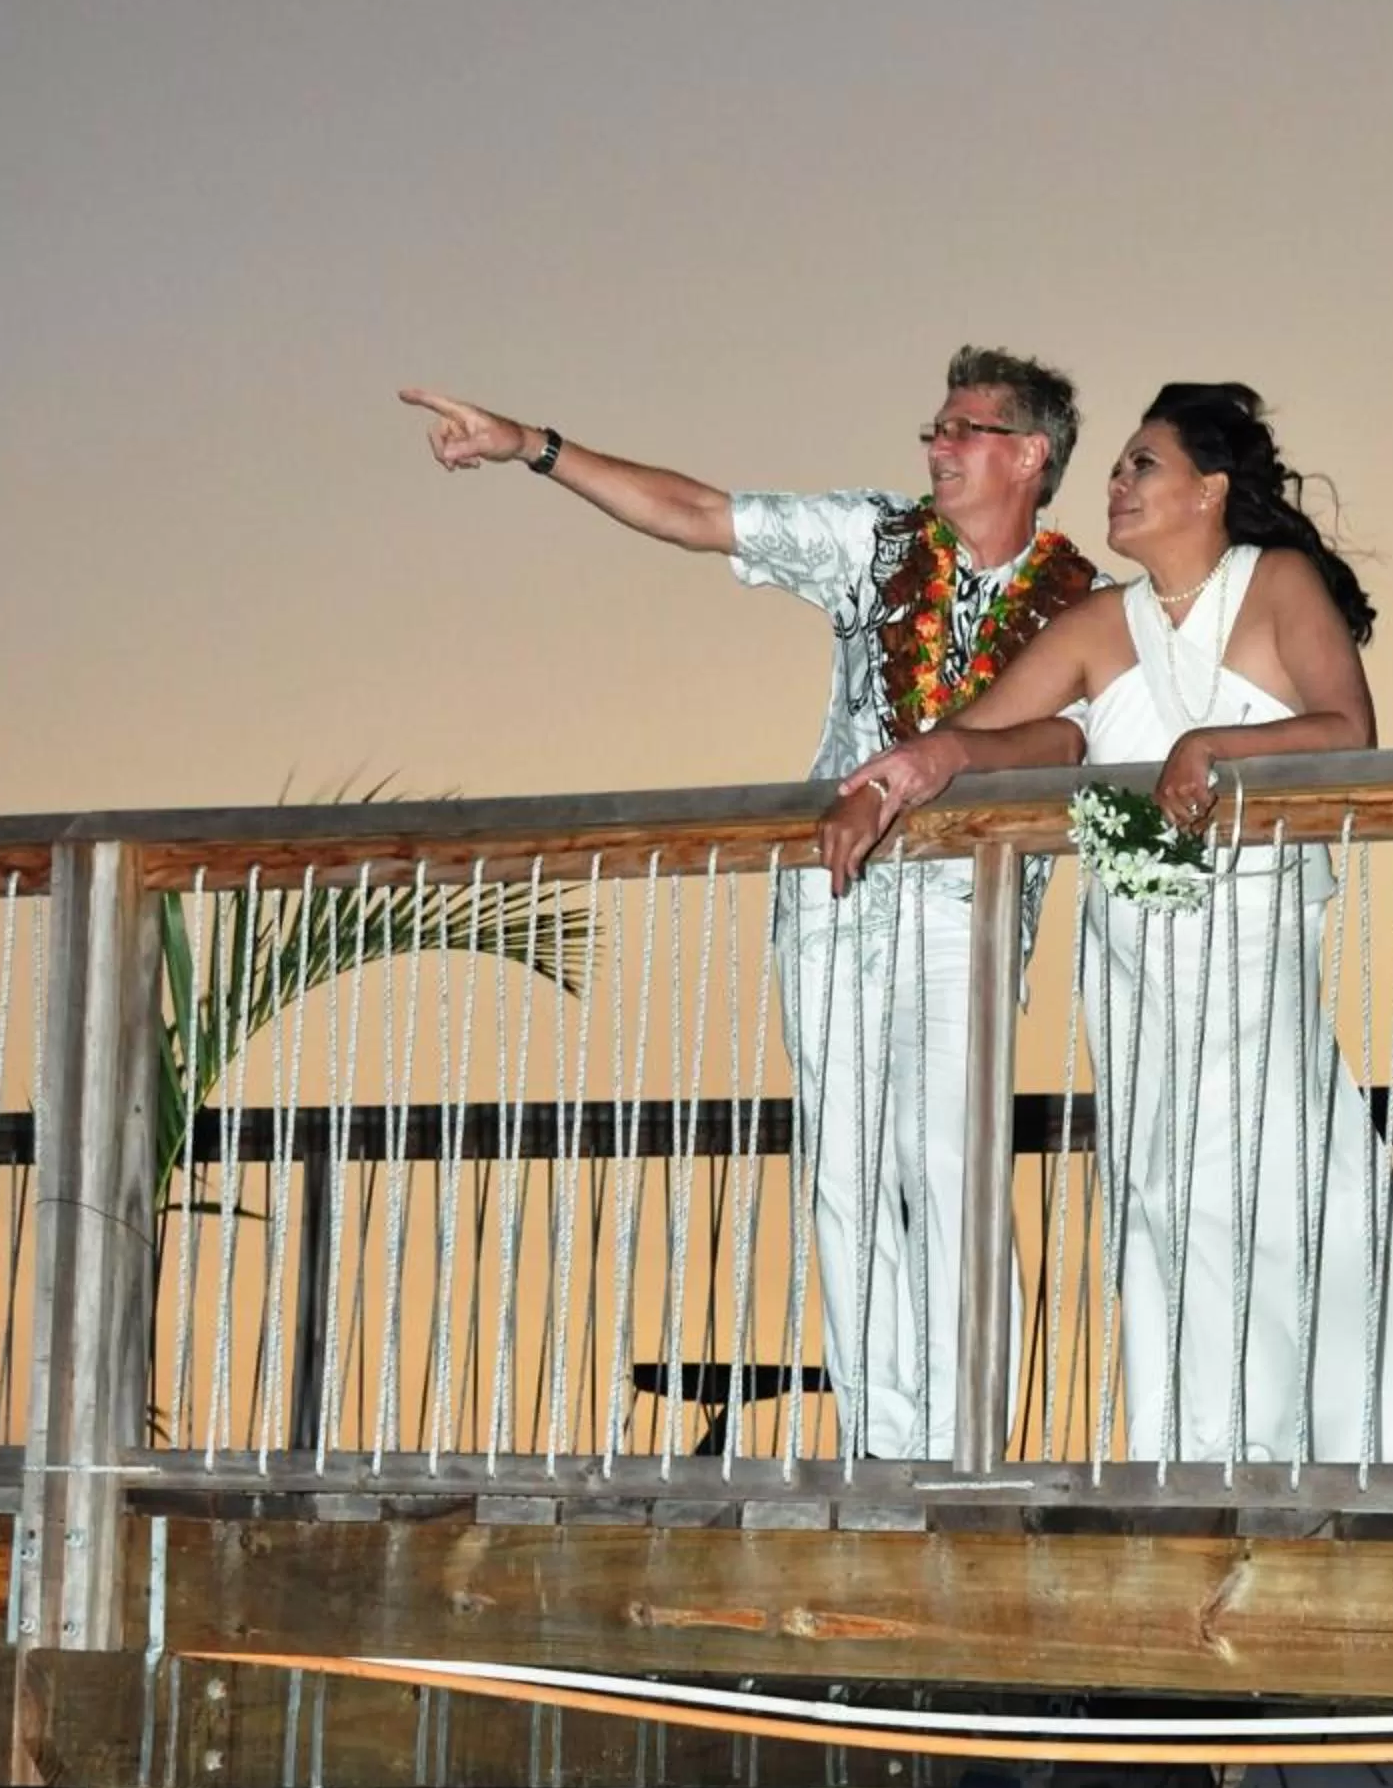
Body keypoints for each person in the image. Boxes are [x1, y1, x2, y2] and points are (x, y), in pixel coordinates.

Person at [400, 352, 1098, 1460]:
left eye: (963, 429)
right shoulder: (876, 540)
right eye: (934, 426)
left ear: (1029, 455)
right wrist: (530, 445)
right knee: (846, 1170)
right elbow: (696, 514)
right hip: (833, 894)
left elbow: (1077, 742)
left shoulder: (1088, 607)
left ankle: (968, 1458)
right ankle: (886, 1452)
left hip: (967, 905)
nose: (935, 446)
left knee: (953, 1168)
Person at [818, 381, 1393, 1470]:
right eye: (1118, 466)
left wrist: (1213, 749)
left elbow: (1351, 731)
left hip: (1246, 936)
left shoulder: (1274, 586)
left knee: (1277, 1178)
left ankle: (1372, 1440)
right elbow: (978, 730)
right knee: (1160, 1194)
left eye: (1143, 464)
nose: (1117, 482)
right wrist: (895, 777)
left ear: (1211, 491)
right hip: (1135, 956)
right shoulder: (1103, 625)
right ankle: (1194, 1456)